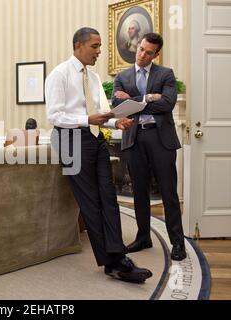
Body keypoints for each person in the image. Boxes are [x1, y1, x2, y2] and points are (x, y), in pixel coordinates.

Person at [45, 27, 153, 283]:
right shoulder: (59, 74)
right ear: (78, 45)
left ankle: (119, 258)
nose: (99, 51)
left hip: (94, 138)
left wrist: (116, 123)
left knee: (108, 197)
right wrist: (86, 118)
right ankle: (112, 262)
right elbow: (54, 116)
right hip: (69, 140)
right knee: (90, 201)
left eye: (100, 46)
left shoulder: (92, 78)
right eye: (95, 46)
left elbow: (101, 114)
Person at [112, 33, 186, 261]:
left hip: (160, 139)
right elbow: (118, 107)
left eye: (148, 52)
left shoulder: (166, 74)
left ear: (156, 54)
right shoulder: (122, 76)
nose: (142, 55)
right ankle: (143, 236)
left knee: (168, 192)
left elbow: (167, 104)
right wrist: (149, 97)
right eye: (141, 49)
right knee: (139, 193)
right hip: (135, 139)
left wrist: (134, 100)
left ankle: (177, 243)